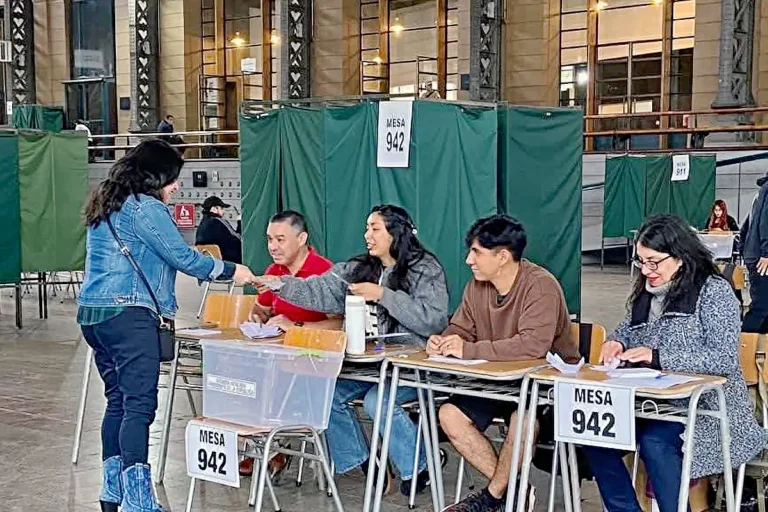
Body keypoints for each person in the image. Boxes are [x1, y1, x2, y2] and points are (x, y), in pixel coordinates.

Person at [77, 140, 255, 512]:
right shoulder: (146, 208)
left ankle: (113, 493)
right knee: (139, 407)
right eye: (173, 179)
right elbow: (182, 256)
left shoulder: (105, 204)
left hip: (94, 317)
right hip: (128, 316)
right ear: (155, 176)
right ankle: (139, 502)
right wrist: (230, 270)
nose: (175, 186)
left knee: (119, 403)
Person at [258, 204, 449, 496]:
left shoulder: (425, 268)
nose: (367, 235)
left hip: (411, 365)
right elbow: (318, 289)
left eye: (374, 229)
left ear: (395, 233)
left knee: (378, 402)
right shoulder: (358, 268)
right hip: (367, 366)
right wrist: (276, 284)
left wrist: (384, 295)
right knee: (327, 395)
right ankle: (365, 462)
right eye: (367, 228)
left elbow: (433, 319)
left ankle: (420, 465)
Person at [588, 214, 766, 512]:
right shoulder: (645, 293)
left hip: (709, 408)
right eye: (640, 261)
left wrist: (656, 357)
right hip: (655, 402)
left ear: (680, 257)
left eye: (653, 262)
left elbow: (722, 358)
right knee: (596, 437)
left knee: (656, 443)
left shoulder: (714, 292)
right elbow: (628, 329)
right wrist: (616, 341)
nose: (646, 271)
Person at [431, 214, 577, 512]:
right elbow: (462, 327)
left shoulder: (541, 286)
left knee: (522, 420)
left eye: (476, 252)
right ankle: (517, 492)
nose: (469, 260)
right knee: (449, 414)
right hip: (495, 382)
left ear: (502, 257)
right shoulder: (477, 287)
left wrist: (468, 349)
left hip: (543, 386)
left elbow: (532, 346)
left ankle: (492, 498)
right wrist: (445, 340)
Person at [240, 210, 341, 478]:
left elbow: (339, 326)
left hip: (313, 360)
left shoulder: (324, 272)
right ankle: (266, 446)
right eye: (269, 239)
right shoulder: (273, 272)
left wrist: (296, 328)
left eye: (280, 239)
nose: (273, 246)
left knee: (263, 379)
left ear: (302, 238)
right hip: (276, 355)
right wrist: (258, 317)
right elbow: (260, 309)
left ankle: (266, 445)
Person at [742, 174, 768, 333]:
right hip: (762, 259)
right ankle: (743, 350)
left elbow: (747, 226)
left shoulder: (760, 193)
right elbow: (766, 222)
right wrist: (766, 253)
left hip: (755, 255)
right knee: (761, 307)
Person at [195, 196, 243, 264]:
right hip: (231, 261)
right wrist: (240, 222)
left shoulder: (202, 224)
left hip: (213, 262)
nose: (223, 211)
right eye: (221, 208)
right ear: (214, 209)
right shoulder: (218, 222)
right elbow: (238, 237)